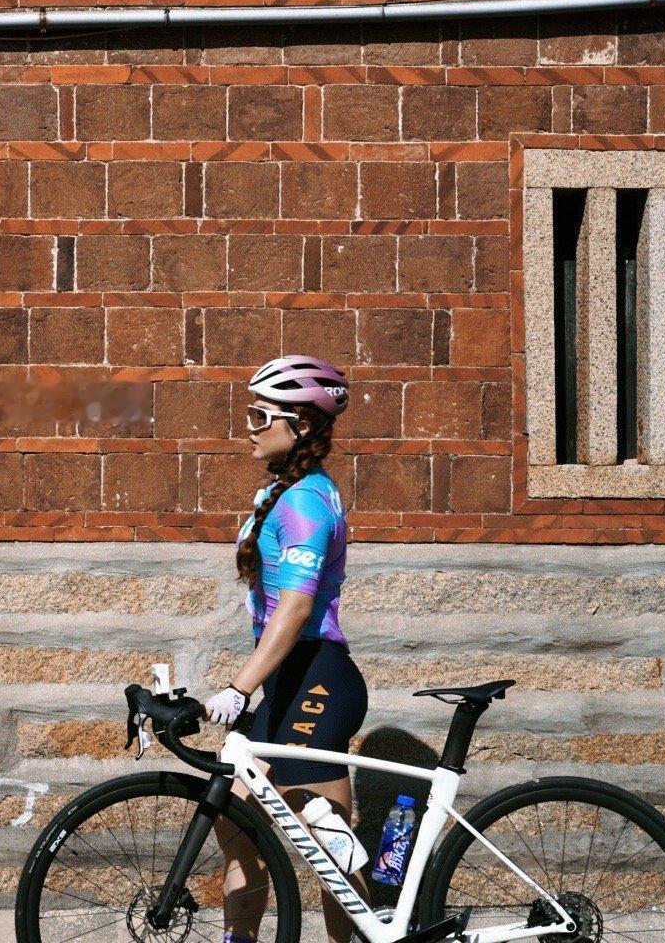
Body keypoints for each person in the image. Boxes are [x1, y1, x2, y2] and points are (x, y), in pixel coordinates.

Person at [206, 354, 371, 943]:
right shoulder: (285, 492)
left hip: (317, 678)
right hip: (287, 678)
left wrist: (238, 687)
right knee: (236, 827)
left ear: (300, 425)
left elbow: (296, 610)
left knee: (330, 856)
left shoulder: (304, 504)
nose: (248, 427)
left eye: (261, 416)